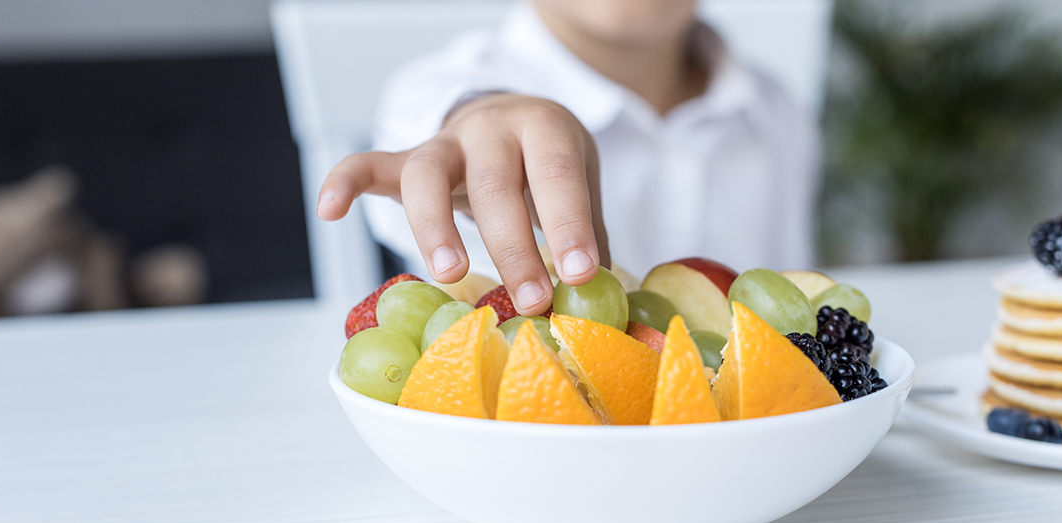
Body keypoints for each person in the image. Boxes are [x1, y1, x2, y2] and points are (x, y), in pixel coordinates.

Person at [318, 0, 818, 316]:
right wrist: (482, 119)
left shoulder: (777, 110)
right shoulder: (432, 92)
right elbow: (451, 128)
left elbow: (787, 312)